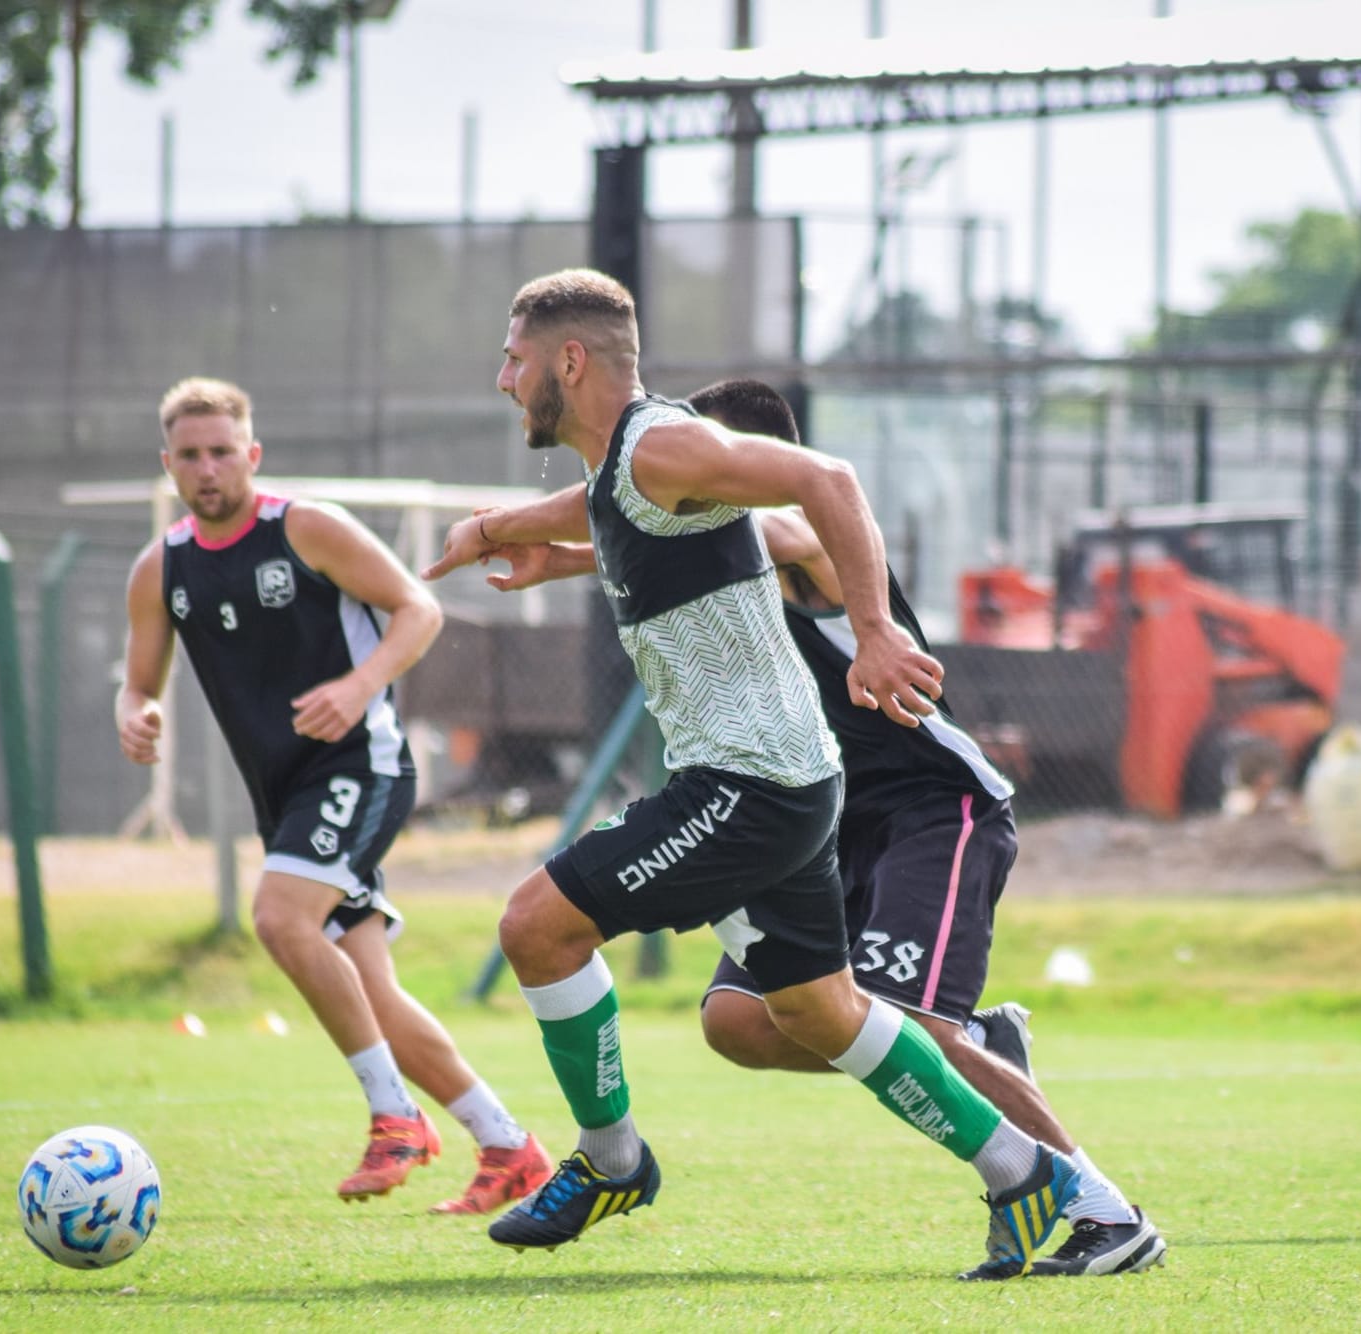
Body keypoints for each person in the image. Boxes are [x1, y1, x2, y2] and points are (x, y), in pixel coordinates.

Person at [422, 269, 1079, 1280]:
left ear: (568, 360)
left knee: (536, 923)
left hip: (778, 785)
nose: (501, 378)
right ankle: (1028, 1173)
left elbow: (829, 485)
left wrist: (873, 633)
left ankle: (611, 1158)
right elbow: (609, 515)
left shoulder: (664, 447)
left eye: (514, 358)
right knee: (801, 1015)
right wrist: (509, 533)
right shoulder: (625, 478)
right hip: (792, 784)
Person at [116, 376, 551, 1216]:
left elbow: (416, 610)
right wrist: (135, 714)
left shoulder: (305, 528)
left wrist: (359, 687)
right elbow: (139, 685)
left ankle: (395, 1118)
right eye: (190, 455)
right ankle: (508, 1146)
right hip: (282, 793)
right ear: (168, 465)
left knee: (282, 919)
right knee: (371, 990)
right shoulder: (159, 567)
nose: (208, 468)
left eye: (222, 451)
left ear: (253, 454)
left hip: (361, 763)